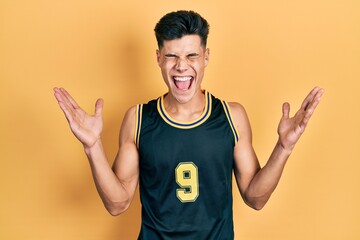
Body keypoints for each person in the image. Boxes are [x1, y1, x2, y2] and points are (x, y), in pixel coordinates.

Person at [54, 10, 324, 240]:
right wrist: (93, 146)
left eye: (191, 56)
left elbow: (255, 198)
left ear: (206, 57)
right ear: (158, 57)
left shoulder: (231, 117)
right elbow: (117, 204)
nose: (181, 67)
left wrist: (284, 147)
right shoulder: (138, 119)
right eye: (171, 56)